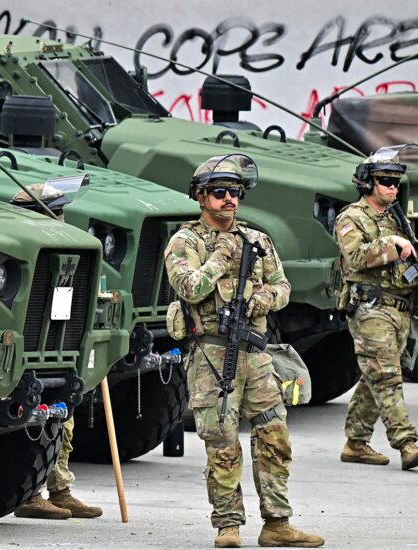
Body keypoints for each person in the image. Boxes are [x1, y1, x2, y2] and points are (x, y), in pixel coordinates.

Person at [164, 155, 323, 548]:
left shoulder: (257, 240)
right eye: (220, 192)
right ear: (201, 197)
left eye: (235, 192)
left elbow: (284, 287)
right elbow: (189, 288)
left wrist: (265, 298)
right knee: (222, 442)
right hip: (212, 354)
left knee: (274, 434)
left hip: (255, 353)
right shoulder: (186, 241)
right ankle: (228, 526)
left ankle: (277, 523)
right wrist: (219, 259)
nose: (230, 199)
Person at [9, 183, 102, 520]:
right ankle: (29, 493)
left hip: (60, 348)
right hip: (26, 354)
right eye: (55, 210)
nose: (62, 217)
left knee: (64, 419)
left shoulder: (65, 248)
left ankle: (60, 488)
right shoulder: (20, 248)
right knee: (32, 424)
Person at [335, 145, 418, 471]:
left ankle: (356, 442)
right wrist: (392, 245)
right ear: (368, 182)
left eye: (396, 181)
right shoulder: (351, 218)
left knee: (374, 376)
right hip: (371, 308)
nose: (393, 187)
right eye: (385, 181)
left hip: (399, 309)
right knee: (387, 377)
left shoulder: (398, 218)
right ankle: (407, 442)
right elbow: (355, 257)